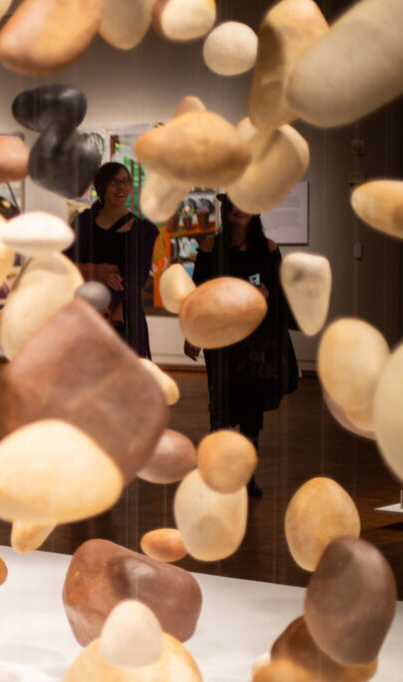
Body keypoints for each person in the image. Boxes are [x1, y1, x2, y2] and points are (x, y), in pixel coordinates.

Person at [185, 194, 298, 498]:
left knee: (251, 408)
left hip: (256, 340)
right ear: (226, 209)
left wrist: (266, 295)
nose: (240, 209)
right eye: (234, 203)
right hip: (219, 337)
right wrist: (193, 333)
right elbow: (200, 293)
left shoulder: (268, 248)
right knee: (219, 405)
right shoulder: (211, 246)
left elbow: (280, 292)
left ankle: (246, 476)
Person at [65, 161, 159, 359]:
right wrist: (96, 270)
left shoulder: (143, 231)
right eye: (114, 182)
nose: (121, 187)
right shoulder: (83, 223)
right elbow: (64, 265)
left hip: (123, 321)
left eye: (125, 182)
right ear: (101, 187)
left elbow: (135, 281)